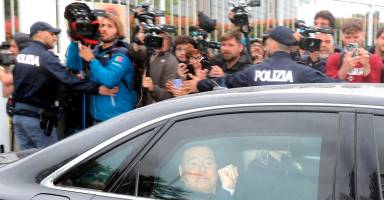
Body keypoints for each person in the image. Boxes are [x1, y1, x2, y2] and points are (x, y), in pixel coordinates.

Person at [12, 21, 117, 150]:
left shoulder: (21, 55)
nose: (55, 37)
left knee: (26, 162)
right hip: (36, 120)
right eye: (51, 34)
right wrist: (98, 89)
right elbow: (68, 80)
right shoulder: (45, 57)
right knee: (49, 162)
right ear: (39, 34)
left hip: (18, 118)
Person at [187, 26, 338, 93]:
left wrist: (199, 84)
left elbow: (225, 82)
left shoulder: (253, 71)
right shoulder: (302, 72)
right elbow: (334, 86)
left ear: (271, 44)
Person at [68, 7, 138, 123]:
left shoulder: (122, 53)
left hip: (118, 119)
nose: (104, 29)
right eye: (102, 25)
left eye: (110, 26)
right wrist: (75, 40)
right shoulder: (95, 51)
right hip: (96, 117)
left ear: (118, 31)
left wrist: (91, 59)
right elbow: (73, 66)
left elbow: (110, 79)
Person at [325, 18, 382, 83]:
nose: (352, 41)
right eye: (348, 37)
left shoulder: (374, 59)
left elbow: (374, 88)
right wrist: (344, 69)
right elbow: (330, 85)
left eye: (356, 37)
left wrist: (366, 67)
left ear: (363, 36)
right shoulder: (334, 58)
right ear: (342, 37)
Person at [0, 32, 30, 97]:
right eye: (10, 46)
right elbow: (6, 93)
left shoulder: (28, 65)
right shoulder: (18, 65)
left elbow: (6, 81)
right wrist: (6, 68)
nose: (10, 49)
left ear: (23, 47)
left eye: (13, 46)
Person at [142, 32, 178, 105]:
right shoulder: (150, 54)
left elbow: (170, 95)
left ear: (170, 40)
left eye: (164, 38)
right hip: (142, 104)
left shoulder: (172, 61)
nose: (160, 40)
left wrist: (153, 88)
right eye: (158, 37)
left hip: (156, 108)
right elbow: (134, 53)